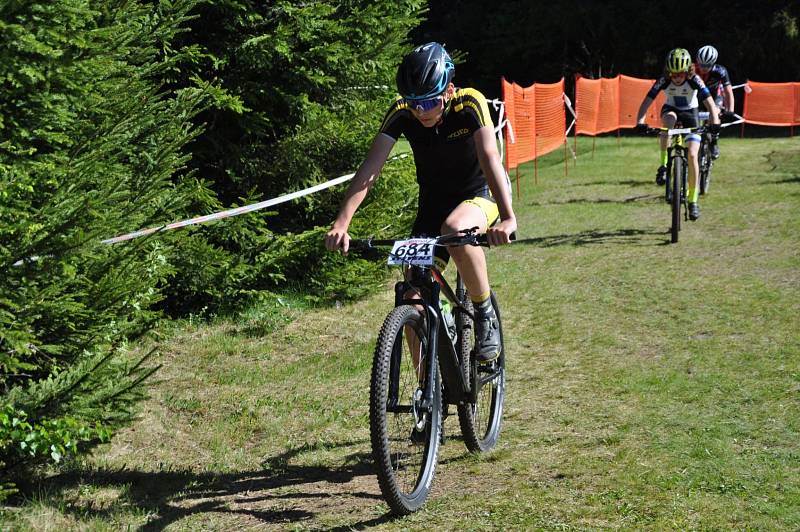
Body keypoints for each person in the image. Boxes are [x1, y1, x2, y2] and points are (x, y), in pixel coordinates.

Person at [325, 42, 516, 361]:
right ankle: (427, 404)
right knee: (412, 298)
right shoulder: (403, 112)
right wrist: (342, 224)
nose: (421, 111)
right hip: (433, 204)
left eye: (429, 101)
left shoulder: (469, 102)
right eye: (414, 103)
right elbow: (370, 169)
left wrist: (508, 217)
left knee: (455, 229)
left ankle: (484, 315)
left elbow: (489, 157)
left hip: (480, 193)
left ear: (448, 89)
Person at [635, 48, 720, 221]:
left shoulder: (695, 79)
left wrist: (715, 123)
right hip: (671, 110)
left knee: (692, 154)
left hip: (691, 113)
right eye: (673, 75)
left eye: (680, 74)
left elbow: (710, 104)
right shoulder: (664, 80)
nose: (676, 78)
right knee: (668, 121)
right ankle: (663, 166)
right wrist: (640, 121)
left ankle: (693, 200)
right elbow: (647, 100)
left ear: (687, 71)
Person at [695, 45, 734, 159]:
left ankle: (714, 142)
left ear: (713, 63)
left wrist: (730, 110)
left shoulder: (720, 71)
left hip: (715, 97)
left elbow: (728, 92)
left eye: (707, 65)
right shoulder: (692, 69)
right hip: (697, 98)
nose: (703, 68)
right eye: (701, 64)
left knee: (715, 113)